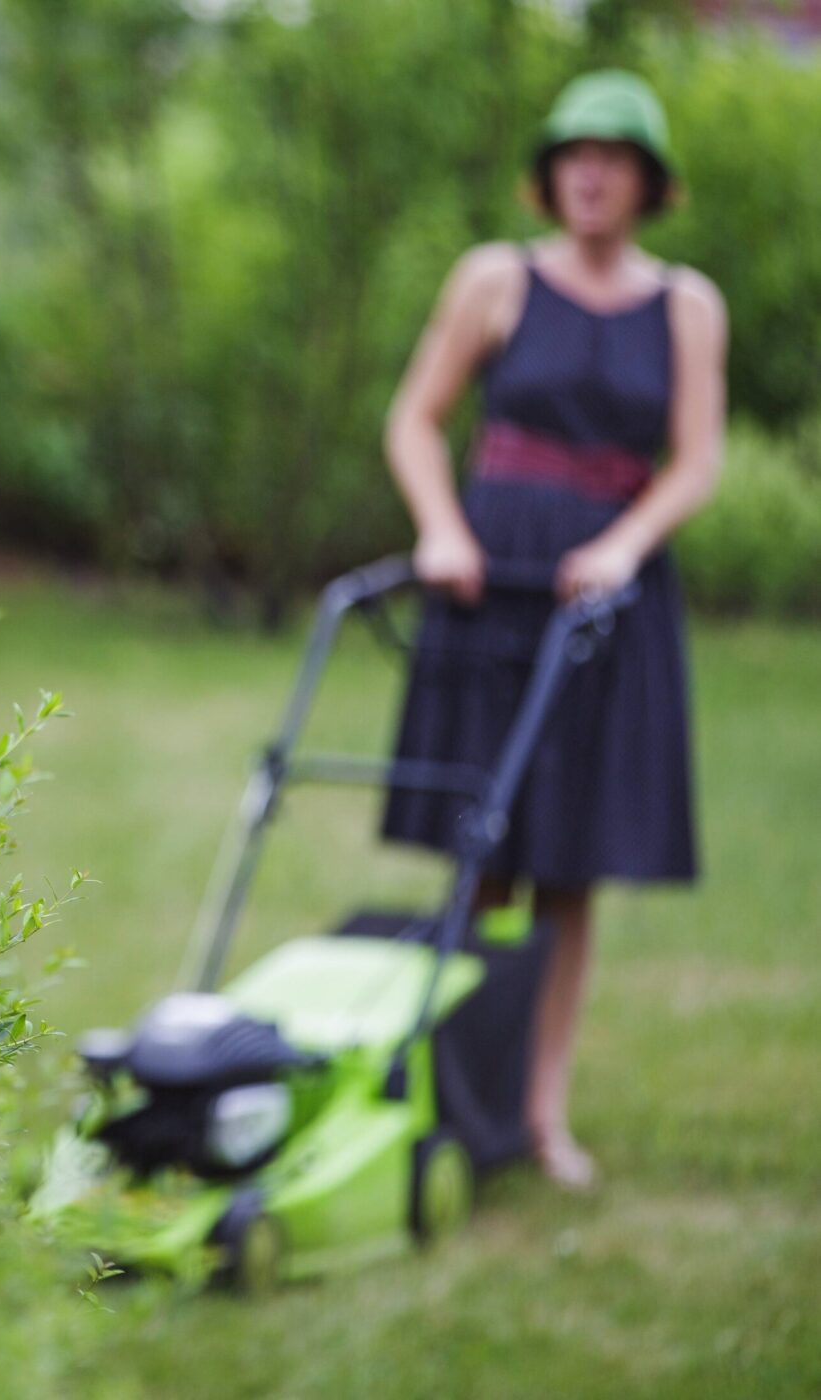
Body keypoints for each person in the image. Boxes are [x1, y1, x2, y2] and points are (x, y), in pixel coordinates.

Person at [380, 71, 726, 1190]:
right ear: (549, 171)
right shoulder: (495, 279)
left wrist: (627, 543)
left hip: (604, 598)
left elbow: (698, 460)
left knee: (570, 863)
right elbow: (416, 418)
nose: (590, 170)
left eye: (614, 155)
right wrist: (440, 526)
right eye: (574, 151)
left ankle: (541, 1111)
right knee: (484, 848)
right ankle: (453, 1094)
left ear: (646, 180)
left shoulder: (686, 305)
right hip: (493, 576)